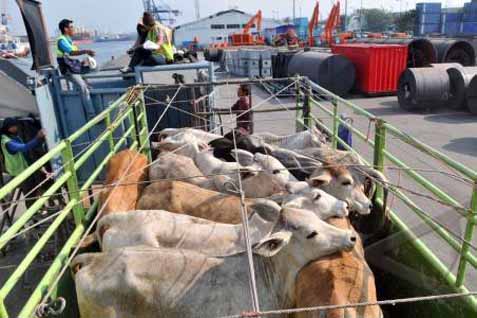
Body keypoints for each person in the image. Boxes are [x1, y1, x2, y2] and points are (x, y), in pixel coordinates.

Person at [56, 19, 97, 119]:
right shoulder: (62, 41)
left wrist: (84, 61)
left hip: (74, 67)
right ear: (65, 29)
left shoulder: (69, 41)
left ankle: (82, 82)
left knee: (95, 67)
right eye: (71, 27)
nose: (73, 29)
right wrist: (86, 51)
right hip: (68, 70)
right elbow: (71, 53)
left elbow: (74, 56)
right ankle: (91, 115)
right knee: (83, 88)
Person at [0, 118, 46, 207]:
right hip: (19, 172)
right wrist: (38, 137)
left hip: (24, 168)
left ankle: (38, 210)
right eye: (14, 126)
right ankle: (33, 215)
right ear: (9, 128)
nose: (16, 128)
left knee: (34, 190)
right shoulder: (7, 142)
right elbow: (24, 148)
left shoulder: (11, 136)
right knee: (30, 194)